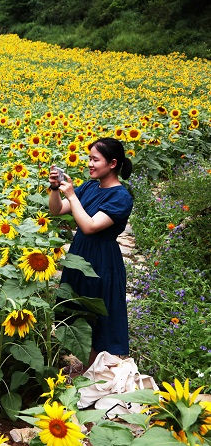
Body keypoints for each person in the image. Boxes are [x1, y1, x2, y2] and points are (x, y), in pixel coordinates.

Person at [48, 137, 133, 369]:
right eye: (89, 159)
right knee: (77, 308)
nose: (90, 164)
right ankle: (83, 366)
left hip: (102, 259)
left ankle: (93, 373)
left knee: (99, 314)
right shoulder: (89, 186)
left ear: (113, 163)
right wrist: (56, 189)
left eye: (95, 160)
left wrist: (72, 195)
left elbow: (90, 226)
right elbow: (57, 210)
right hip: (80, 254)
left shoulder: (121, 197)